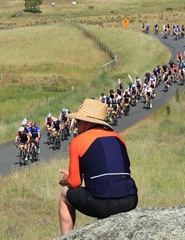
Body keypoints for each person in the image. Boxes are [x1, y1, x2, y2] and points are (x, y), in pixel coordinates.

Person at [58, 99, 138, 235]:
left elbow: (75, 182)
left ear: (88, 122)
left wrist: (68, 177)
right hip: (130, 200)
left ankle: (65, 237)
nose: (76, 125)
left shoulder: (77, 142)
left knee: (64, 193)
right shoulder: (119, 138)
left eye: (79, 121)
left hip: (104, 203)